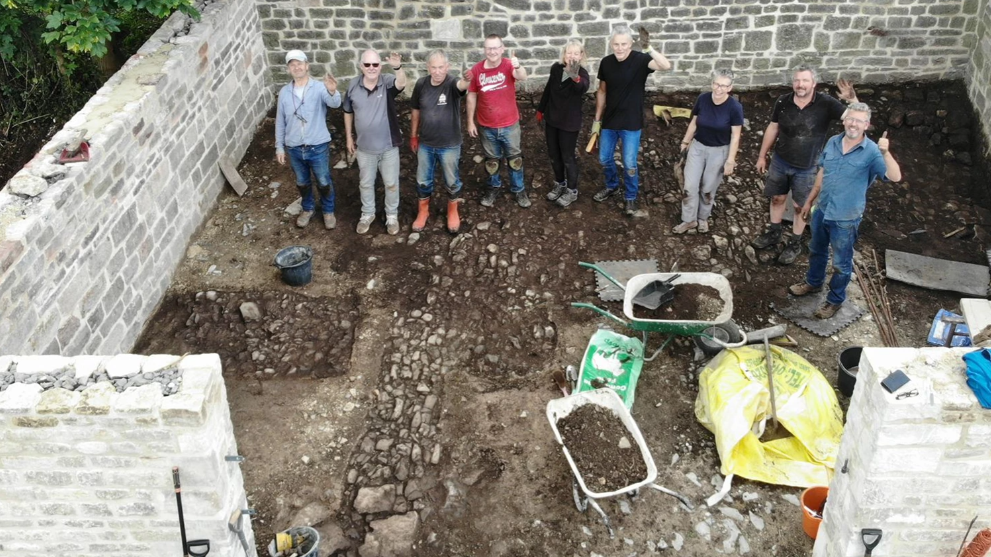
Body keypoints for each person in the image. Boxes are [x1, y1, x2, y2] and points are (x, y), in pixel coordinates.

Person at [788, 103, 902, 319]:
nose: (853, 123)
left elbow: (895, 177)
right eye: (850, 118)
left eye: (859, 120)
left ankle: (834, 300)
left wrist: (886, 153)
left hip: (846, 217)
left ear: (866, 125)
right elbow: (823, 173)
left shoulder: (872, 153)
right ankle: (813, 283)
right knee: (816, 250)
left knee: (841, 262)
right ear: (844, 120)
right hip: (822, 209)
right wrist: (809, 201)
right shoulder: (833, 142)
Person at [751, 65, 858, 264]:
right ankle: (774, 233)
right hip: (780, 161)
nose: (800, 85)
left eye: (805, 81)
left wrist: (852, 100)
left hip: (808, 166)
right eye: (797, 81)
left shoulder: (826, 103)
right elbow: (773, 127)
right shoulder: (783, 101)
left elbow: (855, 121)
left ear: (814, 83)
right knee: (777, 198)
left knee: (801, 207)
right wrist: (762, 156)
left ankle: (794, 242)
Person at [590, 25, 671, 216]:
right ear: (611, 44)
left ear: (631, 44)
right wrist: (597, 119)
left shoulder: (641, 60)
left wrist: (649, 48)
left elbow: (665, 66)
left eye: (623, 44)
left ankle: (630, 197)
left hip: (632, 123)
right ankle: (612, 186)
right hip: (610, 121)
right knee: (604, 158)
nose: (619, 48)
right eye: (616, 44)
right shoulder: (606, 62)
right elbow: (602, 91)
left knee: (629, 163)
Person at [274, 50, 342, 229]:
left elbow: (335, 104)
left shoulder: (319, 87)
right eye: (292, 64)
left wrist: (333, 91)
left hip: (317, 146)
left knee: (323, 181)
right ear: (289, 68)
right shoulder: (284, 93)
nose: (296, 67)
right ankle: (308, 208)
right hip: (295, 147)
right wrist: (279, 147)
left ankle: (328, 211)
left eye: (299, 63)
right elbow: (280, 121)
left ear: (307, 65)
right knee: (302, 182)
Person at [343, 50, 406, 235]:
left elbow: (401, 83)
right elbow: (347, 111)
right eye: (367, 64)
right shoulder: (353, 85)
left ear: (380, 66)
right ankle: (367, 214)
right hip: (364, 148)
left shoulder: (386, 82)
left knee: (391, 183)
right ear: (361, 66)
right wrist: (348, 136)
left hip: (388, 146)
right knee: (366, 183)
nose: (372, 68)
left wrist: (397, 67)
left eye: (375, 64)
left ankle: (392, 216)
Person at [673, 68, 743, 234]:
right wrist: (685, 142)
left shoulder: (734, 107)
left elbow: (735, 136)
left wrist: (730, 160)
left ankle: (703, 218)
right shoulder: (703, 99)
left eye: (724, 86)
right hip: (698, 147)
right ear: (712, 83)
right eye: (716, 84)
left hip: (719, 151)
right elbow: (694, 122)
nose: (719, 89)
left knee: (707, 188)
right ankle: (689, 220)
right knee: (690, 186)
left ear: (730, 88)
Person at [409, 50, 471, 233]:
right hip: (426, 144)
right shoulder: (421, 84)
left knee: (452, 181)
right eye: (433, 68)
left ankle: (452, 211)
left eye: (441, 67)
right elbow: (415, 110)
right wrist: (413, 136)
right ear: (428, 67)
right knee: (422, 180)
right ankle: (423, 212)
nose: (437, 72)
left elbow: (462, 86)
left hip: (449, 144)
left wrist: (467, 79)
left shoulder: (452, 83)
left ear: (447, 67)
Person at [467, 35, 530, 209]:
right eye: (489, 48)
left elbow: (522, 76)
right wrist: (470, 122)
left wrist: (518, 66)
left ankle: (519, 190)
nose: (492, 51)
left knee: (515, 159)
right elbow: (471, 95)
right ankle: (493, 187)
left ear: (502, 49)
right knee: (491, 161)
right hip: (487, 126)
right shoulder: (477, 70)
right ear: (484, 49)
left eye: (496, 48)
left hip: (510, 124)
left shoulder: (509, 64)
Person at [537, 40, 590, 208]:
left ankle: (572, 191)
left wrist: (575, 76)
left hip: (569, 123)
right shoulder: (556, 68)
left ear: (581, 55)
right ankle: (560, 183)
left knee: (567, 157)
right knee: (554, 155)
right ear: (564, 54)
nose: (572, 56)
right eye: (569, 53)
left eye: (576, 53)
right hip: (552, 119)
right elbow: (548, 90)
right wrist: (541, 110)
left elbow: (582, 88)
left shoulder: (582, 74)